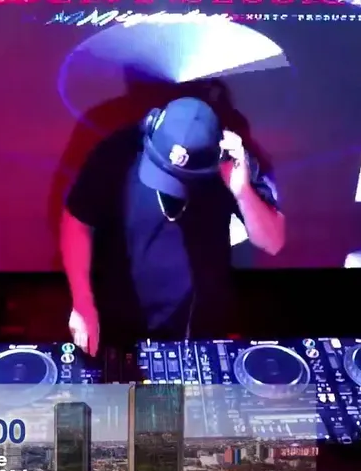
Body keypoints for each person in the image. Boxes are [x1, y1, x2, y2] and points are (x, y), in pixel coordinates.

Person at [60, 97, 285, 355]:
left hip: (198, 327)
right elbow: (77, 220)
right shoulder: (118, 152)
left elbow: (273, 241)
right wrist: (83, 302)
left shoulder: (233, 163)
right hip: (119, 321)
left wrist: (242, 190)